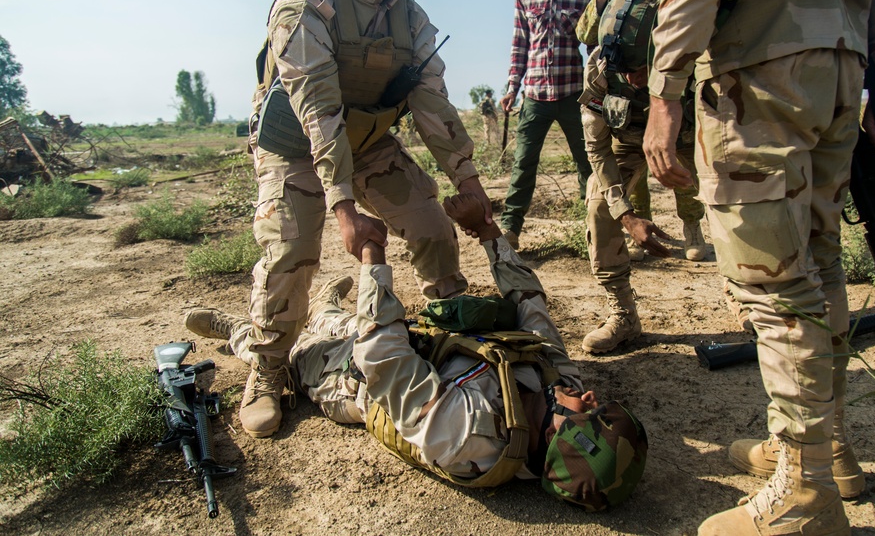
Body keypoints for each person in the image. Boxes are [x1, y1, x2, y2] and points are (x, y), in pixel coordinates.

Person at [643, 0, 875, 534]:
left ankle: (804, 490)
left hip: (757, 60)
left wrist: (666, 86)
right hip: (841, 57)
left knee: (772, 281)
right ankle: (826, 448)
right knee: (818, 257)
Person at [184, 194, 647, 510]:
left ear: (565, 443)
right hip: (413, 340)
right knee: (340, 319)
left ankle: (241, 335)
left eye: (591, 414)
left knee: (292, 350)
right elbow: (533, 310)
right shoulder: (557, 389)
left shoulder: (469, 435)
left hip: (350, 378)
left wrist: (372, 257)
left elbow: (379, 354)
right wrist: (488, 232)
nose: (588, 398)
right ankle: (326, 306)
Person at [244, 0, 491, 440]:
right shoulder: (305, 6)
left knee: (430, 221)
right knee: (290, 254)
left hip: (370, 143)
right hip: (299, 149)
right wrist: (344, 207)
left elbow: (432, 105)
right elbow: (319, 113)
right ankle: (266, 368)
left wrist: (469, 181)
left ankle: (448, 324)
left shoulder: (410, 18)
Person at [576, 0, 708, 265]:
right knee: (599, 202)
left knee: (700, 179)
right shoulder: (600, 75)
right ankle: (621, 304)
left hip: (685, 121)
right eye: (628, 69)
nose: (636, 77)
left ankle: (695, 228)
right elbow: (597, 149)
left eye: (646, 68)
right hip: (631, 129)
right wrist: (625, 215)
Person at [499, 0, 594, 250]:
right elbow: (519, 47)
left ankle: (597, 227)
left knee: (588, 163)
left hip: (573, 95)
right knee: (523, 163)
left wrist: (599, 88)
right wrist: (512, 87)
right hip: (535, 97)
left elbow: (594, 46)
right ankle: (510, 230)